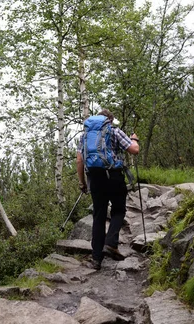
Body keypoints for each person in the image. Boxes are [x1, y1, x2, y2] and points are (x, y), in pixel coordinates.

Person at [76, 109, 139, 270]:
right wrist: (134, 140)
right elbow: (134, 150)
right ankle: (111, 243)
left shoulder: (85, 136)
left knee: (99, 216)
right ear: (109, 120)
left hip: (95, 178)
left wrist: (82, 183)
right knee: (118, 210)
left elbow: (79, 161)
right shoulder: (115, 131)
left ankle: (96, 259)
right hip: (114, 176)